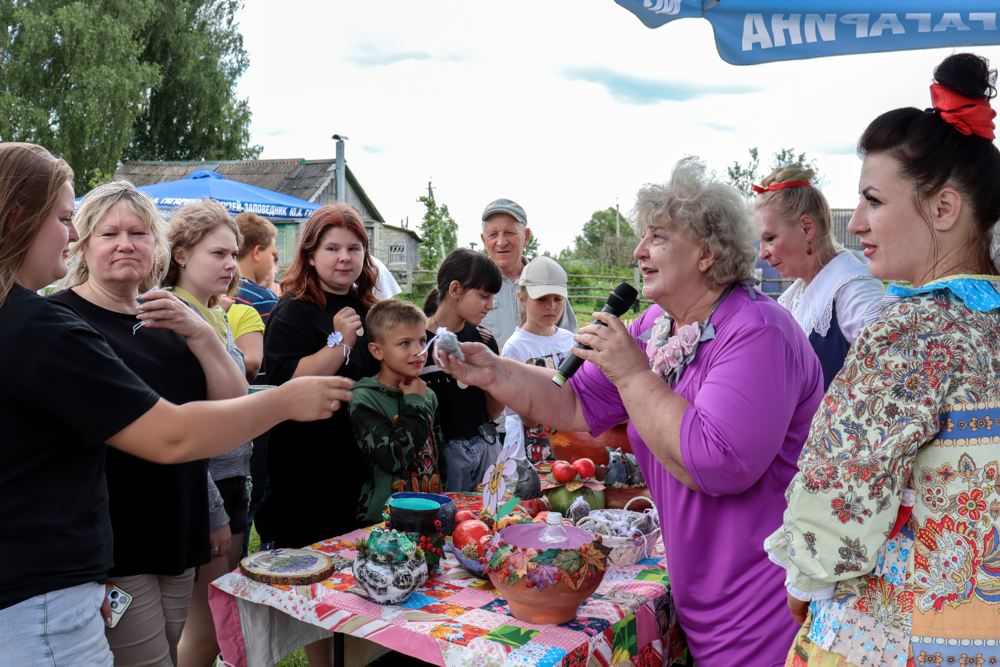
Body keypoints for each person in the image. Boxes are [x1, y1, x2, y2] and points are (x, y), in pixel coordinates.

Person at [437, 158, 824, 665]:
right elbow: (573, 401)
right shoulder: (657, 327)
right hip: (701, 591)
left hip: (767, 601)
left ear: (707, 253)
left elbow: (717, 462)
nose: (639, 251)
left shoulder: (757, 332)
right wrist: (494, 371)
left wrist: (634, 375)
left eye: (657, 237)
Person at [0, 143, 350, 666]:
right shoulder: (44, 327)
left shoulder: (149, 317)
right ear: (21, 219)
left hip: (116, 549)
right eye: (67, 219)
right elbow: (172, 434)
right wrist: (284, 400)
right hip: (54, 589)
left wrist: (203, 337)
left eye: (138, 232)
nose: (72, 236)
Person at [764, 52, 1000, 667]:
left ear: (943, 210)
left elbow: (844, 481)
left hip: (897, 632)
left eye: (873, 200)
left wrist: (805, 579)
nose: (860, 223)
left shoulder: (912, 328)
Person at [50, 181, 245, 666]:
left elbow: (231, 406)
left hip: (176, 525)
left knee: (171, 648)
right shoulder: (60, 320)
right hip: (112, 536)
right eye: (109, 233)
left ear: (155, 245)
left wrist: (200, 332)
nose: (125, 244)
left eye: (138, 233)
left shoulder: (166, 317)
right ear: (82, 243)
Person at [161, 200, 253, 667]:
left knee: (216, 623)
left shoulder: (212, 313)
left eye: (234, 254)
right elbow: (183, 421)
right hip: (206, 486)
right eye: (218, 253)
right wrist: (211, 502)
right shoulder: (173, 318)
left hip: (231, 480)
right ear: (180, 254)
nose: (231, 264)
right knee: (203, 631)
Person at [754, 165, 884, 390]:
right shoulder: (795, 296)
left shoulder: (853, 290)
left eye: (770, 238)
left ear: (807, 228)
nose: (762, 253)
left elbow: (890, 372)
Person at [351, 300, 444, 524]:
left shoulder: (426, 394)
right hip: (384, 518)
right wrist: (413, 401)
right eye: (404, 343)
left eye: (422, 340)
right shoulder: (364, 398)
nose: (418, 351)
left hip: (428, 508)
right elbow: (392, 458)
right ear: (377, 350)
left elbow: (438, 452)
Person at [421, 248, 505, 492]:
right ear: (455, 289)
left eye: (492, 297)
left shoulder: (484, 341)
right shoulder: (417, 342)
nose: (490, 305)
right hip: (439, 465)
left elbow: (492, 410)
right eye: (483, 296)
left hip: (485, 453)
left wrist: (493, 381)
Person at [500, 255, 575, 462]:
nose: (551, 306)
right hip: (527, 449)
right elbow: (517, 412)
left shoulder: (570, 341)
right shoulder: (515, 347)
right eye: (541, 299)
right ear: (521, 298)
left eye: (557, 299)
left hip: (568, 443)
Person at [479, 198, 577, 349]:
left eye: (509, 232)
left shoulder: (545, 279)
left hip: (543, 372)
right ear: (484, 240)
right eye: (493, 234)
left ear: (526, 236)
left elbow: (569, 340)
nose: (501, 242)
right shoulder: (473, 284)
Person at [233, 211, 279, 322]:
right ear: (257, 252)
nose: (273, 259)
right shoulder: (264, 299)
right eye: (272, 253)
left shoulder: (217, 293)